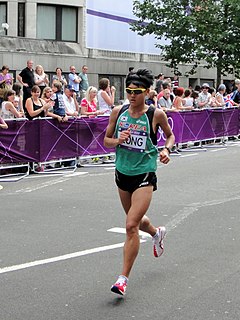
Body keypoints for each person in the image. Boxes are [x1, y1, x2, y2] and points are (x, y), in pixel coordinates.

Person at [104, 68, 175, 296]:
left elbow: (170, 135)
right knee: (136, 221)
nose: (132, 95)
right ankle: (156, 233)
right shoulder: (118, 112)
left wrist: (166, 149)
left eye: (137, 91)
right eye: (129, 91)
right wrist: (118, 140)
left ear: (147, 92)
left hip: (144, 174)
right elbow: (106, 141)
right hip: (122, 173)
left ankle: (122, 279)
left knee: (130, 225)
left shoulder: (156, 114)